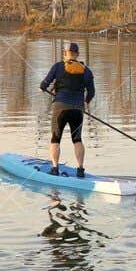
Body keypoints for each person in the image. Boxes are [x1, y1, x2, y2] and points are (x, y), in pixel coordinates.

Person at [39, 41, 95, 177]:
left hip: (60, 108)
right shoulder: (86, 71)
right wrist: (85, 102)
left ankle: (54, 168)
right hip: (77, 110)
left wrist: (43, 87)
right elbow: (91, 92)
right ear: (78, 54)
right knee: (77, 139)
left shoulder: (58, 67)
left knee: (55, 138)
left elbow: (44, 84)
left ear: (65, 54)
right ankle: (80, 169)